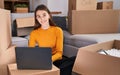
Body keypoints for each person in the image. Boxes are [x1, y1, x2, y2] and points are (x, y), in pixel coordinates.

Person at [29, 4, 76, 75]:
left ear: (49, 15)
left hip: (56, 60)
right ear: (36, 18)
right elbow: (30, 52)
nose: (42, 19)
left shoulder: (58, 30)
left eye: (44, 15)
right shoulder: (34, 33)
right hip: (43, 61)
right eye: (38, 16)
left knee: (75, 59)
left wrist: (49, 60)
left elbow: (59, 53)